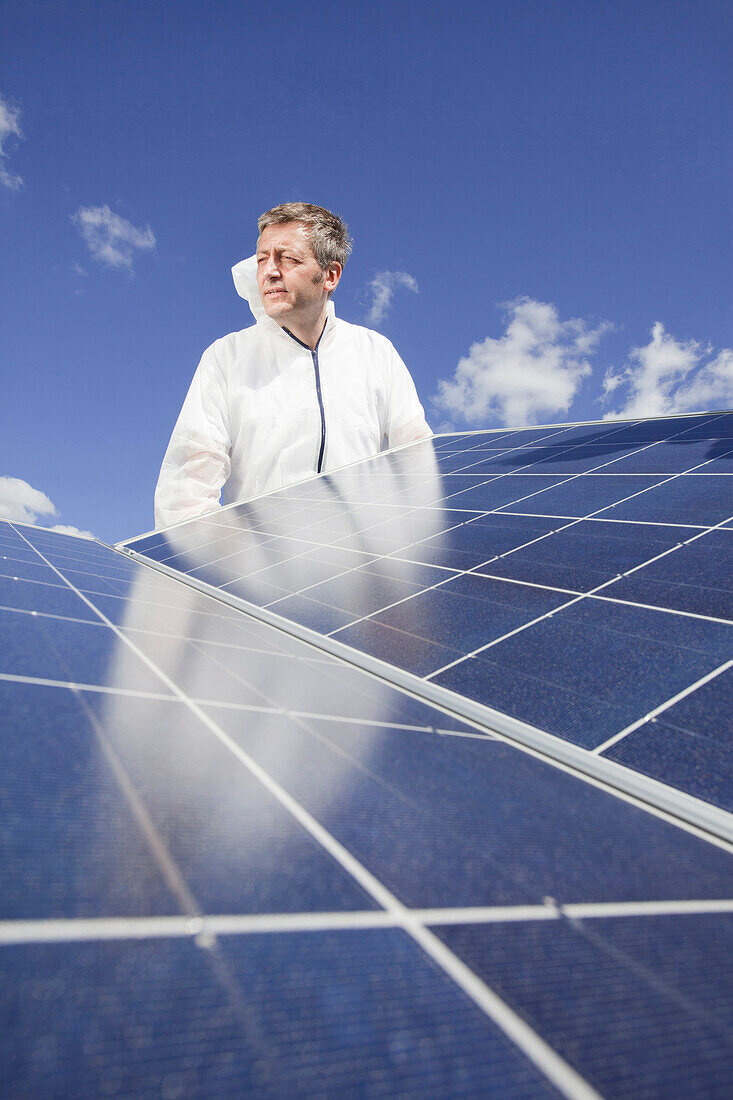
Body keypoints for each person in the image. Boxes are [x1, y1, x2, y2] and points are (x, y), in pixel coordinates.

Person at [154, 202, 431, 529]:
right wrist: (227, 562)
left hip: (368, 566)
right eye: (261, 259)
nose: (270, 271)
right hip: (258, 571)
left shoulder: (376, 352)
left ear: (330, 275)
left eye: (288, 259)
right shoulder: (226, 357)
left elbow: (418, 462)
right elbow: (187, 490)